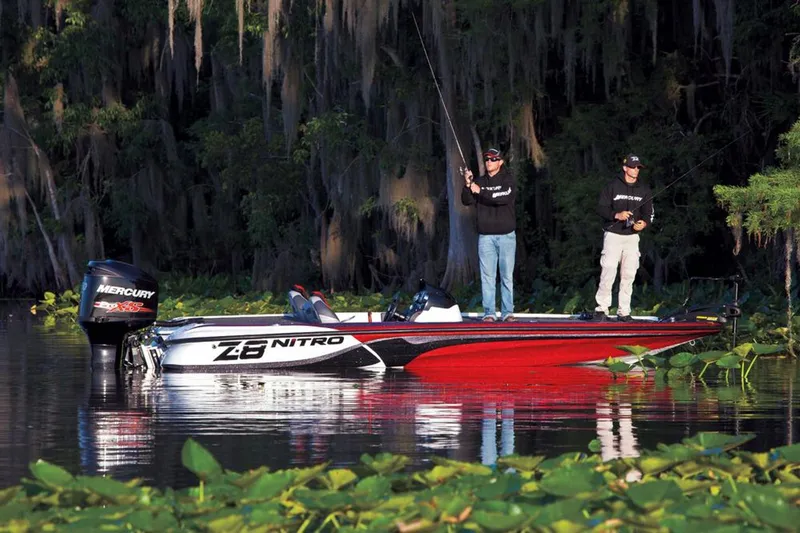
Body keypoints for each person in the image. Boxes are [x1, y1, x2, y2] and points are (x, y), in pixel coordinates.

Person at [594, 153, 654, 322]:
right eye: (633, 167)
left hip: (632, 238)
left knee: (629, 274)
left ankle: (624, 312)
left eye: (638, 167)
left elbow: (649, 214)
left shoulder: (644, 189)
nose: (636, 170)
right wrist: (616, 215)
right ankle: (601, 309)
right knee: (608, 270)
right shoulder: (612, 186)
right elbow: (601, 208)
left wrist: (643, 224)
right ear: (625, 168)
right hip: (613, 235)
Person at [461, 148, 517, 322]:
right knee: (487, 277)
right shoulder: (479, 181)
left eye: (493, 159)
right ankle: (489, 313)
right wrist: (468, 185)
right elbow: (466, 200)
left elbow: (501, 197)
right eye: (487, 159)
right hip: (485, 238)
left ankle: (507, 312)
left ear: (500, 162)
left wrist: (480, 191)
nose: (489, 162)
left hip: (507, 236)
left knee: (506, 276)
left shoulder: (508, 180)